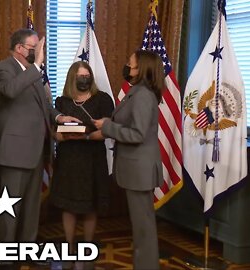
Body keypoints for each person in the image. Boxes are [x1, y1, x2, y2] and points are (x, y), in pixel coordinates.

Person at [0, 28, 80, 269]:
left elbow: (43, 106)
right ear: (20, 48)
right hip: (13, 152)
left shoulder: (33, 73)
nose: (38, 52)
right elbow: (10, 91)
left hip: (36, 151)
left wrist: (59, 117)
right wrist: (37, 64)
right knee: (9, 209)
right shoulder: (4, 68)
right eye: (34, 48)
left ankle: (28, 249)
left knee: (31, 208)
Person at [93, 50, 164, 269]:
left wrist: (107, 126)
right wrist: (109, 123)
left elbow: (137, 134)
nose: (127, 67)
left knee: (143, 227)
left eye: (130, 65)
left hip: (140, 170)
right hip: (136, 169)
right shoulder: (138, 91)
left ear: (141, 69)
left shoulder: (142, 95)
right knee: (141, 225)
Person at [50, 61, 114, 269]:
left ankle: (87, 251)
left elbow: (107, 130)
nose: (84, 79)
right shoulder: (62, 102)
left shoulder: (102, 99)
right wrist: (63, 135)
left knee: (90, 206)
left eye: (87, 76)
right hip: (68, 159)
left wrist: (84, 136)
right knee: (68, 206)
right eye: (80, 76)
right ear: (72, 78)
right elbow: (56, 133)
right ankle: (68, 250)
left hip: (92, 159)